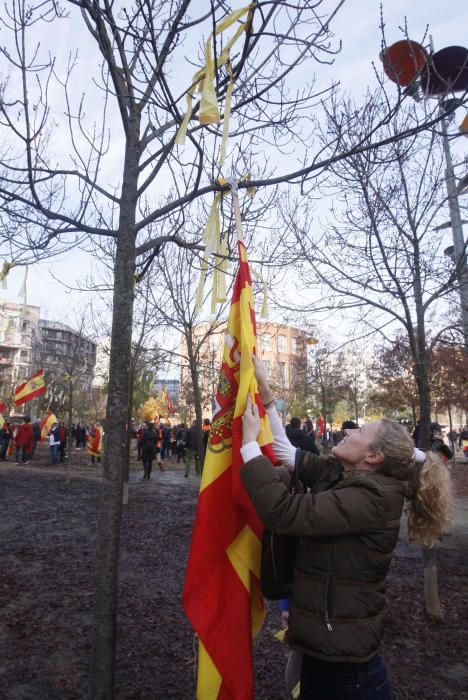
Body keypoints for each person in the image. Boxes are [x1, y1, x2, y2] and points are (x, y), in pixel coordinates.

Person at [240, 355, 452, 700]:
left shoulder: (372, 497)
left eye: (360, 432)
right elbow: (288, 453)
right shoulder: (346, 475)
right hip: (326, 655)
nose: (348, 430)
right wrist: (266, 395)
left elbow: (284, 511)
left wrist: (249, 444)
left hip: (347, 676)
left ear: (373, 457)